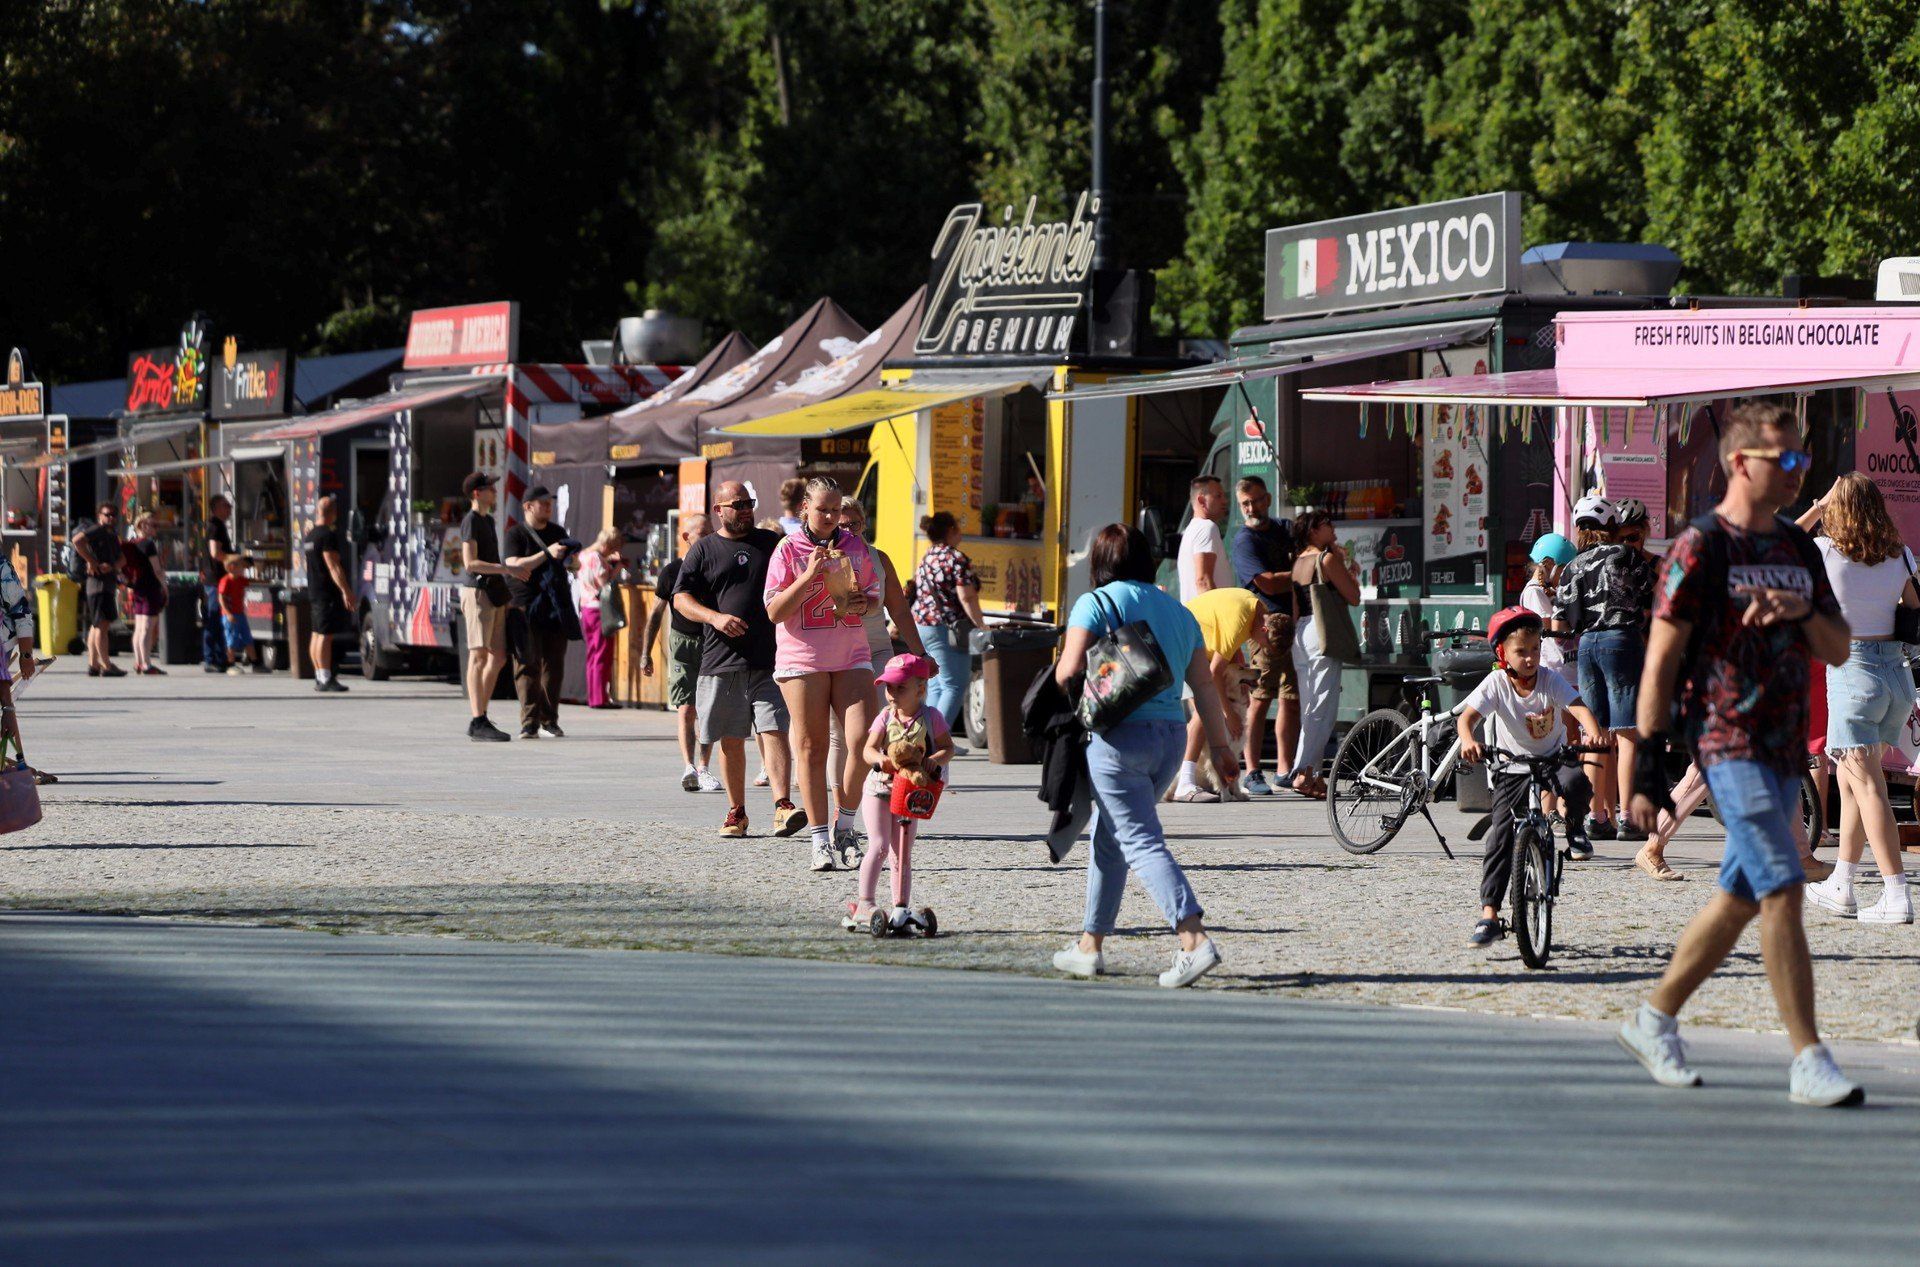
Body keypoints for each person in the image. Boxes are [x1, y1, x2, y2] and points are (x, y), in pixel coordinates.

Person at [1621, 400, 1861, 1107]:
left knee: (1736, 897)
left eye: (1803, 459)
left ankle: (1652, 1018)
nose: (1798, 472)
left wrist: (1799, 613)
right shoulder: (1702, 545)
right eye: (1785, 459)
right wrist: (1648, 770)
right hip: (1726, 744)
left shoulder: (1796, 548)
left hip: (1785, 750)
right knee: (1783, 886)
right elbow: (1660, 661)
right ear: (1740, 462)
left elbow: (1840, 645)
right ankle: (1808, 1057)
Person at [1051, 524, 1235, 988]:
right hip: (1170, 737)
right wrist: (1221, 746)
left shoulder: (1095, 603)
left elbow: (1069, 670)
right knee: (1111, 837)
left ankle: (1193, 939)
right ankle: (1090, 945)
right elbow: (1205, 685)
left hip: (1118, 738)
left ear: (1100, 562)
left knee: (1138, 840)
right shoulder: (1178, 610)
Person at [1795, 473, 1914, 924]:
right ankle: (1843, 882)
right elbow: (1907, 607)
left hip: (1852, 670)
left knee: (1867, 787)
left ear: (1835, 508)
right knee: (1850, 781)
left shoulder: (1826, 552)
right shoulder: (1899, 554)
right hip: (1894, 675)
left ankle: (1895, 892)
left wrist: (1818, 505)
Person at [1457, 607, 1605, 945]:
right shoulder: (1496, 683)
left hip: (1552, 758)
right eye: (1521, 651)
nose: (1530, 658)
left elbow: (1578, 706)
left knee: (1577, 783)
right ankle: (1489, 915)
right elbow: (1466, 720)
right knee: (1500, 837)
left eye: (1535, 649)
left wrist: (1592, 731)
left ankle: (1576, 829)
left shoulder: (1550, 679)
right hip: (1512, 767)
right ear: (1502, 654)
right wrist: (1468, 740)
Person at [764, 476, 883, 871]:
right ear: (805, 510)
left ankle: (845, 826)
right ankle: (819, 840)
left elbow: (872, 604)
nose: (832, 516)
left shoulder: (855, 547)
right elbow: (774, 612)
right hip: (803, 658)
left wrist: (863, 601)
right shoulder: (787, 549)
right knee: (812, 748)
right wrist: (809, 574)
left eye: (836, 510)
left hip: (851, 653)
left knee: (863, 740)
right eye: (823, 509)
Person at [672, 480, 802, 839]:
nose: (745, 509)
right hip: (721, 660)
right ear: (719, 510)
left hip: (771, 658)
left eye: (750, 503)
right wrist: (714, 617)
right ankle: (737, 813)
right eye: (737, 504)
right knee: (730, 739)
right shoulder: (704, 550)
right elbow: (680, 598)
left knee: (775, 728)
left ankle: (783, 807)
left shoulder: (771, 543)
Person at [1554, 494, 1656, 845]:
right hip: (1621, 640)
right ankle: (1628, 817)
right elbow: (1650, 594)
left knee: (1594, 735)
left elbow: (1561, 618)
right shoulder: (1626, 556)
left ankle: (1596, 817)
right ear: (1611, 527)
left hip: (1586, 646)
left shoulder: (1572, 566)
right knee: (1627, 732)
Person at [825, 498, 925, 830]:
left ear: (864, 524)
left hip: (878, 648)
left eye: (854, 524)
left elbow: (898, 609)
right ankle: (843, 806)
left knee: (889, 722)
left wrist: (920, 653)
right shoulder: (823, 558)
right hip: (838, 650)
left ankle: (889, 799)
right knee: (843, 735)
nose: (848, 530)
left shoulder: (878, 559)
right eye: (841, 524)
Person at [846, 653, 952, 932]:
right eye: (888, 687)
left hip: (911, 791)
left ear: (921, 689)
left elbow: (947, 748)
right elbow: (868, 749)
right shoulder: (885, 717)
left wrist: (935, 760)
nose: (891, 694)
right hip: (879, 789)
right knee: (879, 845)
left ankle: (900, 907)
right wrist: (879, 760)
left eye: (900, 688)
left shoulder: (932, 717)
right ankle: (865, 902)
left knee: (902, 853)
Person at [1171, 585, 1273, 803]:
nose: (1262, 650)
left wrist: (1243, 684)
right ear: (1264, 631)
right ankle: (1184, 783)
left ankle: (1196, 780)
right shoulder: (1243, 617)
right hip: (1182, 638)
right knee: (1203, 711)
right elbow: (1215, 672)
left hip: (1193, 638)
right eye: (1265, 646)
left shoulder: (1256, 610)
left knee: (1206, 709)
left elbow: (1232, 647)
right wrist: (1229, 713)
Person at [1229, 475, 1297, 796]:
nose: (1251, 508)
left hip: (1293, 623)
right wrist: (1300, 573)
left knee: (1290, 698)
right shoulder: (1244, 541)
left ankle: (1284, 769)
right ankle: (1253, 770)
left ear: (1267, 499)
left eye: (1256, 500)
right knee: (1260, 698)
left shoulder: (1284, 529)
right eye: (1245, 503)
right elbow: (1267, 583)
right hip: (1264, 627)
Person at [642, 514, 718, 791]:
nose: (708, 537)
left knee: (709, 708)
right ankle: (689, 767)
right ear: (686, 537)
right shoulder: (672, 571)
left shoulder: (717, 566)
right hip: (683, 640)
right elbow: (655, 614)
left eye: (711, 532)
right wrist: (645, 653)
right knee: (686, 706)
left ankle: (704, 767)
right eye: (702, 533)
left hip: (713, 640)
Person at [1285, 512, 1357, 799]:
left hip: (1300, 633)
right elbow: (1353, 595)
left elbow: (1293, 608)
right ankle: (1302, 771)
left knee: (1310, 707)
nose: (1334, 528)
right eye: (1328, 524)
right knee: (1323, 708)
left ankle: (1312, 775)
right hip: (1321, 631)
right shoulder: (1326, 560)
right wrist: (1347, 565)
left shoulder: (1298, 562)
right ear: (1315, 530)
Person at [502, 485, 577, 740]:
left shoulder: (557, 532)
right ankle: (529, 722)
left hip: (554, 607)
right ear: (527, 506)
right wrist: (547, 554)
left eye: (550, 502)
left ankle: (549, 719)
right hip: (525, 605)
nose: (548, 506)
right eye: (542, 502)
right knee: (526, 664)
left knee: (553, 667)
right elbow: (512, 564)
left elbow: (569, 562)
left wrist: (570, 561)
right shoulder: (516, 534)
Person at [910, 511, 991, 741]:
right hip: (947, 629)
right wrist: (981, 625)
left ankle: (925, 739)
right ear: (951, 531)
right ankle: (937, 742)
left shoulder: (928, 556)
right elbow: (967, 598)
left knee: (936, 687)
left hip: (922, 625)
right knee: (955, 685)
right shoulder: (956, 558)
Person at [458, 472, 524, 742]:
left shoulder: (487, 520)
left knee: (497, 656)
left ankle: (481, 715)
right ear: (477, 493)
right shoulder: (471, 521)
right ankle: (477, 718)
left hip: (493, 593)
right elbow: (469, 563)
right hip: (477, 592)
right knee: (478, 656)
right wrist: (504, 568)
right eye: (490, 489)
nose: (495, 493)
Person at [303, 495, 354, 693]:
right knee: (325, 635)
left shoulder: (310, 535)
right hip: (326, 591)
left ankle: (319, 675)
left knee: (316, 633)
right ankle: (326, 677)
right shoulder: (327, 535)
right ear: (333, 513)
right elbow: (333, 566)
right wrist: (346, 590)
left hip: (314, 590)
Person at [573, 527, 624, 710]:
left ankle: (594, 696)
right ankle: (600, 698)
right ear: (608, 544)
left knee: (592, 654)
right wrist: (616, 569)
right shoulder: (598, 559)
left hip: (586, 608)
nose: (612, 552)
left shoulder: (584, 555)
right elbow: (605, 587)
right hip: (600, 610)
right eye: (612, 548)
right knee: (603, 654)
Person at [72, 502, 124, 678]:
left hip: (106, 584)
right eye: (106, 514)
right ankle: (106, 665)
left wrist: (113, 566)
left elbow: (122, 560)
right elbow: (77, 541)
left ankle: (93, 665)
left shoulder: (112, 534)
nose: (110, 518)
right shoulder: (97, 530)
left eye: (113, 515)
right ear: (99, 516)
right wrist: (92, 561)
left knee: (97, 625)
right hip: (98, 585)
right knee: (102, 625)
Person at [121, 511, 168, 675]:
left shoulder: (132, 543)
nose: (156, 528)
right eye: (153, 525)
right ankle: (147, 664)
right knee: (147, 628)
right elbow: (157, 570)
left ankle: (138, 662)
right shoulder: (148, 544)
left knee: (139, 627)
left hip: (138, 589)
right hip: (150, 588)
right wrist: (165, 587)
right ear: (142, 526)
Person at [1175, 474, 1229, 601]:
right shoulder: (1206, 528)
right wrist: (1216, 618)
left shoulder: (1190, 531)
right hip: (1206, 619)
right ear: (1201, 501)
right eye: (1218, 496)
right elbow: (1203, 581)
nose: (1225, 501)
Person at [200, 494, 234, 674]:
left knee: (220, 619)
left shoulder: (219, 525)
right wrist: (233, 559)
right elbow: (215, 553)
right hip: (214, 580)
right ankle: (210, 658)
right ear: (216, 508)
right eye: (226, 505)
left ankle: (220, 658)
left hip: (219, 578)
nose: (229, 509)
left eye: (229, 505)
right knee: (213, 618)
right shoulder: (214, 526)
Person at [218, 554, 255, 675]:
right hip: (230, 615)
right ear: (231, 567)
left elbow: (252, 582)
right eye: (241, 566)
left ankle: (255, 662)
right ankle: (230, 664)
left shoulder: (241, 580)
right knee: (231, 639)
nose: (244, 569)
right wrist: (228, 613)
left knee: (247, 637)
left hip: (240, 613)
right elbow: (221, 598)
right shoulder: (225, 581)